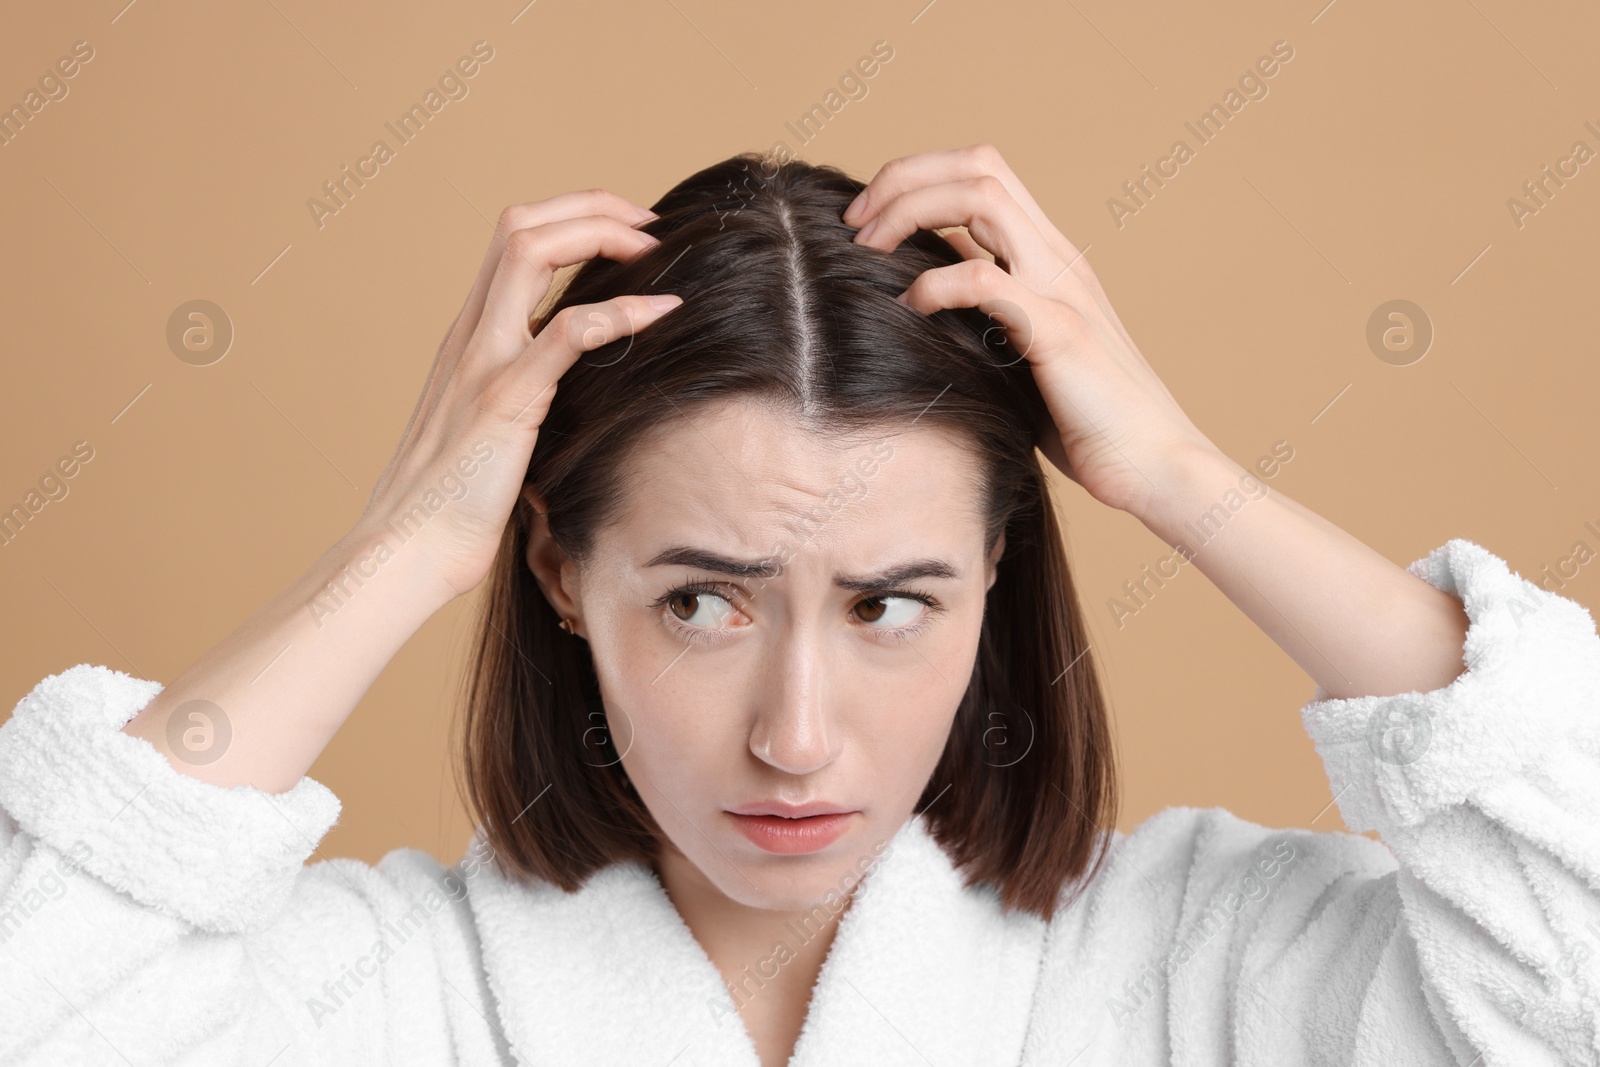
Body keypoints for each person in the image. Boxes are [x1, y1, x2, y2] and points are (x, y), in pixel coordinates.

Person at [1, 144, 1595, 1067]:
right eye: (704, 602)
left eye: (893, 604)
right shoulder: (382, 994)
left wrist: (1182, 476)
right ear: (558, 571)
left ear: (993, 588)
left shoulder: (1202, 961)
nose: (797, 736)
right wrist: (411, 544)